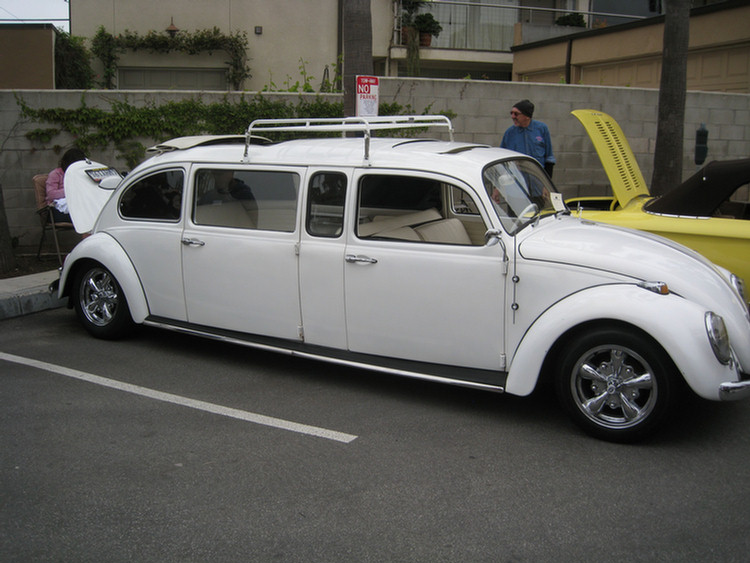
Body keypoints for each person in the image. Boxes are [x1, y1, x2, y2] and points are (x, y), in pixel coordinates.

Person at [500, 99, 556, 178]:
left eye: (516, 114)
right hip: (517, 179)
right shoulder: (509, 133)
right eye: (511, 113)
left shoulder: (542, 129)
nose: (512, 116)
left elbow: (549, 158)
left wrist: (546, 184)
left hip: (537, 179)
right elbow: (502, 159)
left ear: (527, 116)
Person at [45, 147, 87, 221]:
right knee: (83, 218)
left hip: (76, 207)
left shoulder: (79, 175)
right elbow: (51, 194)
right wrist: (71, 190)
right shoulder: (55, 174)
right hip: (57, 210)